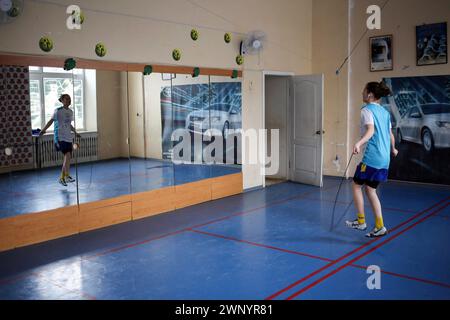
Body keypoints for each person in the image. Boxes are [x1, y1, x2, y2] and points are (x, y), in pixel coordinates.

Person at [346, 81, 398, 238]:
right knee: (370, 190)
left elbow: (371, 130)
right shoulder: (385, 112)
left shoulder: (366, 110)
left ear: (369, 94)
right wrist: (393, 149)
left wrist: (359, 143)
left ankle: (361, 221)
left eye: (363, 90)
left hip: (373, 157)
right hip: (384, 159)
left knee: (356, 186)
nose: (362, 93)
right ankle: (380, 226)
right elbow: (390, 134)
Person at [39, 94, 81, 186]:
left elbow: (69, 125)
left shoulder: (70, 112)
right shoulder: (58, 111)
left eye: (69, 99)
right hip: (60, 137)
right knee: (67, 155)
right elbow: (51, 121)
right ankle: (63, 177)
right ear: (62, 100)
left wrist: (75, 132)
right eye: (66, 99)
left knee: (68, 157)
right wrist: (43, 130)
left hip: (68, 137)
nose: (69, 100)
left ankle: (66, 176)